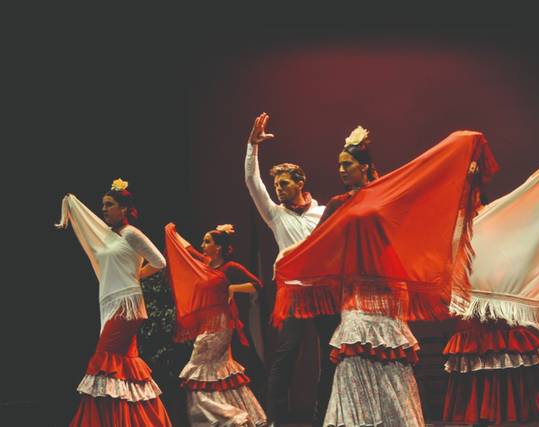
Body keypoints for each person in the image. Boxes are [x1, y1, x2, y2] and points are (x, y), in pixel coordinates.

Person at [274, 128, 499, 426]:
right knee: (353, 351)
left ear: (364, 166)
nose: (341, 170)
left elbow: (423, 186)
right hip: (356, 291)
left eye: (347, 164)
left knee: (390, 354)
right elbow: (318, 241)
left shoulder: (386, 192)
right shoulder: (338, 204)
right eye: (339, 165)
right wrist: (289, 256)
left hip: (388, 288)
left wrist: (461, 150)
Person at [443, 142, 539, 426]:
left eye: (468, 185)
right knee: (479, 355)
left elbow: (515, 234)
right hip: (471, 310)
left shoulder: (492, 217)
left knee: (502, 353)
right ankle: (477, 412)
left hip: (493, 311)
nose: (464, 191)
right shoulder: (454, 224)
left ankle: (509, 412)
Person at [244, 112, 339, 427]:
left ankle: (322, 417)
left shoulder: (323, 213)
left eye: (284, 183)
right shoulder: (275, 215)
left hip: (324, 293)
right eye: (276, 184)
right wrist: (252, 147)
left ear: (301, 183)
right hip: (294, 293)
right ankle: (277, 421)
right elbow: (251, 181)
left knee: (330, 356)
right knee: (286, 355)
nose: (278, 188)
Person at [55, 178, 172, 426]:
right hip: (109, 303)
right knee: (124, 367)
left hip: (126, 304)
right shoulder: (106, 236)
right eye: (103, 205)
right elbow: (89, 228)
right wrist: (73, 206)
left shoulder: (131, 233)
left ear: (124, 209)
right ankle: (139, 420)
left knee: (104, 361)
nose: (104, 209)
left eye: (109, 204)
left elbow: (159, 261)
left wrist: (137, 275)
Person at [165, 222, 267, 426]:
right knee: (217, 371)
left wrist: (233, 288)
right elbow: (187, 250)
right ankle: (238, 414)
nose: (202, 245)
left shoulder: (229, 268)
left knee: (198, 369)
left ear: (218, 247)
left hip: (221, 325)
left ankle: (226, 417)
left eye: (207, 241)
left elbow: (258, 284)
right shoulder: (203, 264)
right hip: (207, 324)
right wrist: (171, 232)